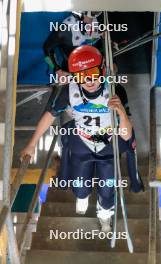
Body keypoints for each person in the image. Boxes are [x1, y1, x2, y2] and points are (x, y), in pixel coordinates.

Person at [21, 45, 144, 233]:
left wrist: (122, 113)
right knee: (80, 185)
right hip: (82, 143)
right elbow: (49, 115)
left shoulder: (115, 90)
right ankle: (82, 197)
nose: (89, 80)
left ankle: (104, 215)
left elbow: (126, 134)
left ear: (103, 69)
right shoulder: (70, 91)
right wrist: (31, 145)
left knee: (107, 187)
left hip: (107, 145)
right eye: (81, 75)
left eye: (93, 72)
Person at [43, 11, 103, 80]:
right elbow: (47, 48)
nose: (91, 20)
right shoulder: (64, 29)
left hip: (95, 65)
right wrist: (58, 70)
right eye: (90, 13)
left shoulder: (101, 18)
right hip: (72, 69)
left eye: (95, 12)